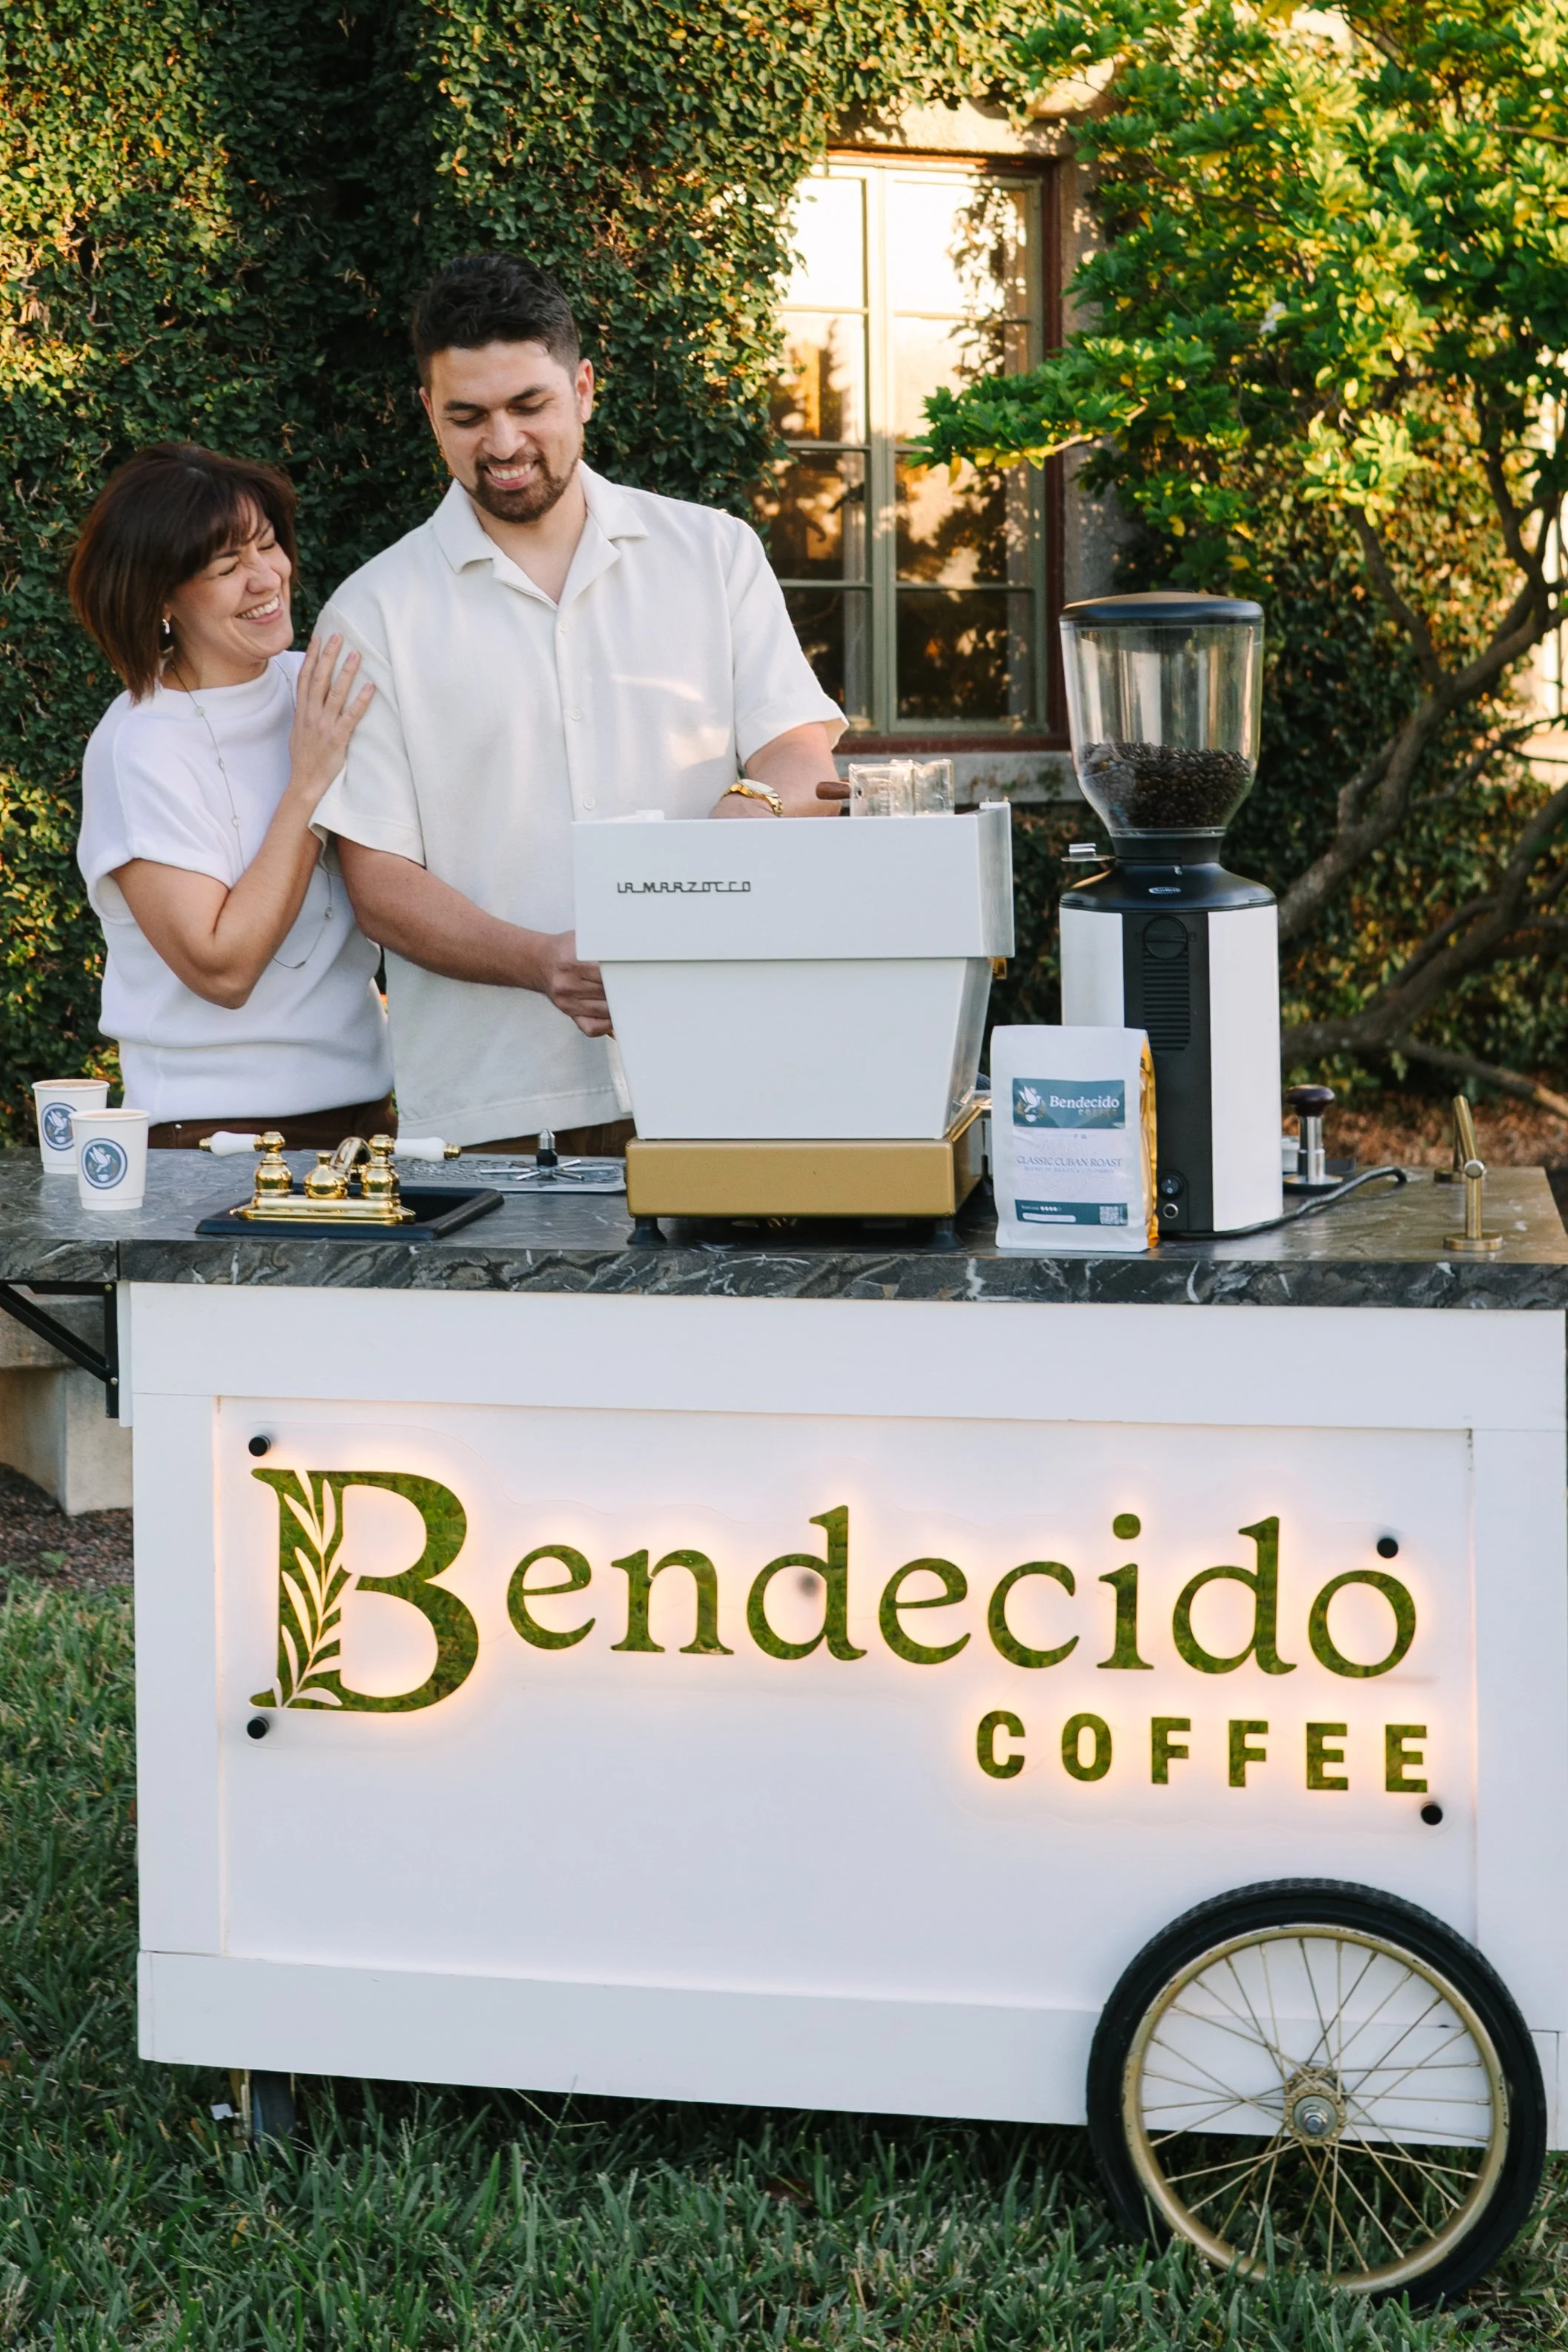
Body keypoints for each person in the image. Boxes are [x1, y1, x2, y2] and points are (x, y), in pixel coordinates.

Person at [311, 254, 844, 1152]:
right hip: (496, 1109)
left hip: (727, 1076)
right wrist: (538, 963)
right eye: (468, 416)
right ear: (429, 414)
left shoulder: (713, 553)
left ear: (584, 389)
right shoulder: (372, 612)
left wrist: (713, 853)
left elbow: (800, 756)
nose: (503, 443)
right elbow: (381, 885)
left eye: (530, 405)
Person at [70, 443, 393, 1149]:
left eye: (268, 545)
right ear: (160, 597)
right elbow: (223, 969)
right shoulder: (141, 747)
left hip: (368, 1123)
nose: (266, 578)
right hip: (214, 1140)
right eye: (226, 567)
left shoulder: (319, 686)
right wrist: (307, 783)